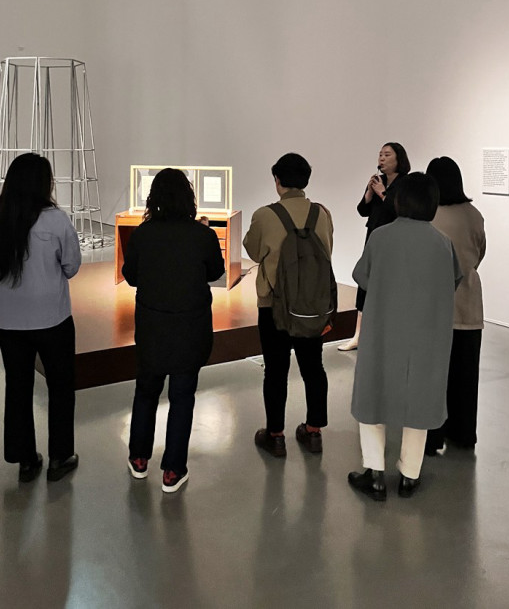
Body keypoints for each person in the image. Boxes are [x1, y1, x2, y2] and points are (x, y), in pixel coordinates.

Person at [348, 172, 461, 501]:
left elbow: (362, 276)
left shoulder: (381, 237)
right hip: (428, 334)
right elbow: (453, 281)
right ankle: (410, 475)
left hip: (383, 330)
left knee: (372, 396)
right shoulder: (443, 243)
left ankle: (375, 473)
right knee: (420, 401)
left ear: (399, 201)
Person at [122, 168, 225, 493]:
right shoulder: (203, 236)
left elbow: (131, 276)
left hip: (152, 327)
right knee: (182, 398)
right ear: (188, 198)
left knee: (146, 392)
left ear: (154, 198)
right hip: (190, 328)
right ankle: (172, 470)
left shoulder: (143, 234)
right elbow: (216, 272)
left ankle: (139, 458)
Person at [0, 153, 81, 482]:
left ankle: (25, 459)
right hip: (52, 318)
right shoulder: (56, 220)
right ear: (44, 184)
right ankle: (60, 457)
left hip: (8, 320)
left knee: (18, 386)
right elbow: (71, 266)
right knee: (61, 386)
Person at [243, 153, 334, 458]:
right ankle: (314, 431)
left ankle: (275, 436)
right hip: (312, 304)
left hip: (274, 305)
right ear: (305, 181)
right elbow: (327, 250)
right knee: (313, 367)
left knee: (275, 370)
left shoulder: (264, 215)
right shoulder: (322, 214)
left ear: (277, 180)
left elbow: (253, 251)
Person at [425, 157, 486, 453]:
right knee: (466, 374)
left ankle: (433, 435)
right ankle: (463, 434)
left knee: (434, 376)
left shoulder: (428, 217)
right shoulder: (474, 215)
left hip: (434, 306)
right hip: (469, 304)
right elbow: (480, 252)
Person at [339, 141, 410, 352]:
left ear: (399, 159)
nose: (381, 158)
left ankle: (384, 335)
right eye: (380, 154)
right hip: (373, 237)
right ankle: (358, 335)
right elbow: (363, 211)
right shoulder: (378, 181)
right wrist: (370, 193)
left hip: (393, 241)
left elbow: (400, 211)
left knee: (387, 285)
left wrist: (382, 193)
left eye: (387, 154)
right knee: (365, 282)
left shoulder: (405, 184)